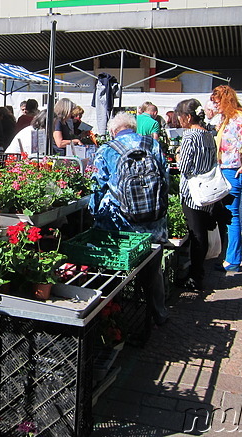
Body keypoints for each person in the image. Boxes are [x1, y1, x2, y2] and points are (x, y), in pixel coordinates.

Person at [91, 112, 169, 324]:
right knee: (153, 268)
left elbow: (96, 185)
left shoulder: (107, 149)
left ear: (114, 131)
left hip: (119, 222)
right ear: (132, 127)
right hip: (153, 223)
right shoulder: (153, 146)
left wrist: (93, 211)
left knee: (112, 270)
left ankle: (114, 314)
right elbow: (166, 180)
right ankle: (159, 313)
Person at [174, 99, 221, 291]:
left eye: (180, 116)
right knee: (201, 231)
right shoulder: (208, 135)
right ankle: (198, 273)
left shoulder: (190, 136)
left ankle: (195, 276)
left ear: (187, 116)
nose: (178, 119)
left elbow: (184, 167)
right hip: (207, 189)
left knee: (196, 234)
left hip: (192, 190)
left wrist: (178, 155)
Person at [210, 85, 242, 273]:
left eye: (217, 101)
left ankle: (233, 260)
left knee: (233, 216)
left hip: (232, 170)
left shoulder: (237, 118)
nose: (215, 104)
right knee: (229, 215)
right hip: (226, 169)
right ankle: (229, 257)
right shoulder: (228, 118)